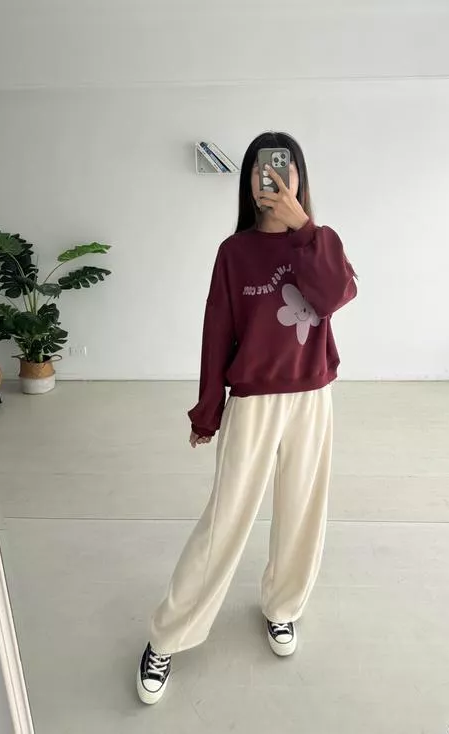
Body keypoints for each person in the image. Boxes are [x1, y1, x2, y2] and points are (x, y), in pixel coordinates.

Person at [137, 131, 357, 705]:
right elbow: (217, 334)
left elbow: (336, 296)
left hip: (312, 398)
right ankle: (168, 634)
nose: (274, 178)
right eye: (264, 168)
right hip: (254, 400)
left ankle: (282, 607)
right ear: (249, 179)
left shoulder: (321, 242)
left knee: (302, 512)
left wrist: (303, 227)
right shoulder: (234, 253)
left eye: (286, 169)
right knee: (225, 520)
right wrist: (207, 410)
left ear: (300, 177)